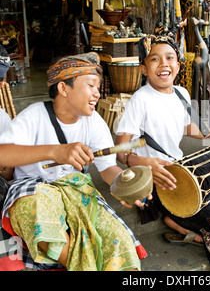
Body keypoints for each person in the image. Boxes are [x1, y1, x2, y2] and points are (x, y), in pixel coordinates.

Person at [115, 34, 210, 271]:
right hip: (161, 179)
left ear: (178, 64)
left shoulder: (181, 93)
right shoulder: (140, 99)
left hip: (183, 167)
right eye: (154, 59)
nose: (164, 64)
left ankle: (187, 228)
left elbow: (187, 126)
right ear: (144, 68)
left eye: (169, 58)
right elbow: (120, 148)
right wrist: (143, 161)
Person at [0, 52, 146, 271]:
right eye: (91, 85)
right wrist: (55, 151)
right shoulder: (34, 115)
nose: (97, 93)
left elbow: (107, 167)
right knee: (38, 215)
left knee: (117, 237)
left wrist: (123, 186)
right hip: (33, 188)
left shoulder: (94, 122)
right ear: (63, 88)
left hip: (75, 189)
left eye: (98, 87)